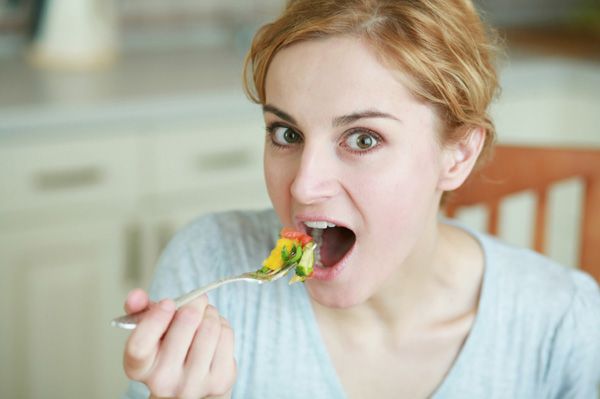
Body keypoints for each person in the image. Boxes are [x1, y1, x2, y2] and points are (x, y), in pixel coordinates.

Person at [121, 1, 600, 398]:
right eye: (286, 133)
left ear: (458, 155)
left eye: (363, 139)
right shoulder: (209, 274)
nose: (304, 186)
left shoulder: (561, 326)